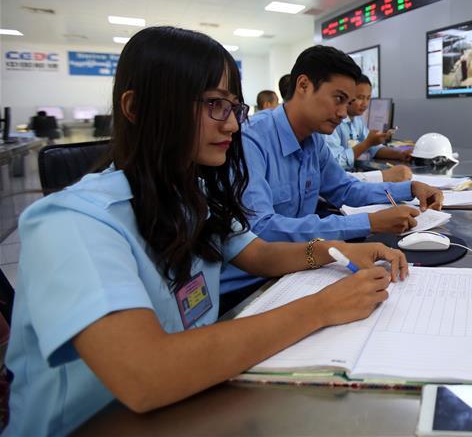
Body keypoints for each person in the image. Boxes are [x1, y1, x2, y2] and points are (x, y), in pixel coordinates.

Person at [4, 27, 408, 435]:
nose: (233, 125)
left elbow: (260, 253)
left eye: (235, 107)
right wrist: (322, 307)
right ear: (137, 107)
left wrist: (334, 250)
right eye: (215, 105)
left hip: (186, 403)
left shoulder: (190, 195)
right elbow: (146, 373)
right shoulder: (73, 222)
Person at [221, 46, 442, 305]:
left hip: (295, 269)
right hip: (246, 289)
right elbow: (262, 230)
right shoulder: (251, 140)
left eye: (347, 103)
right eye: (338, 99)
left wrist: (410, 189)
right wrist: (368, 222)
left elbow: (346, 189)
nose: (343, 113)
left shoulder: (313, 141)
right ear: (303, 85)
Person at [324, 74, 412, 183]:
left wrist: (400, 154)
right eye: (360, 97)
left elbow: (373, 148)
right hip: (338, 180)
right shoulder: (332, 123)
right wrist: (367, 143)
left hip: (352, 177)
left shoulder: (357, 121)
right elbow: (336, 162)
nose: (365, 104)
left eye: (368, 98)